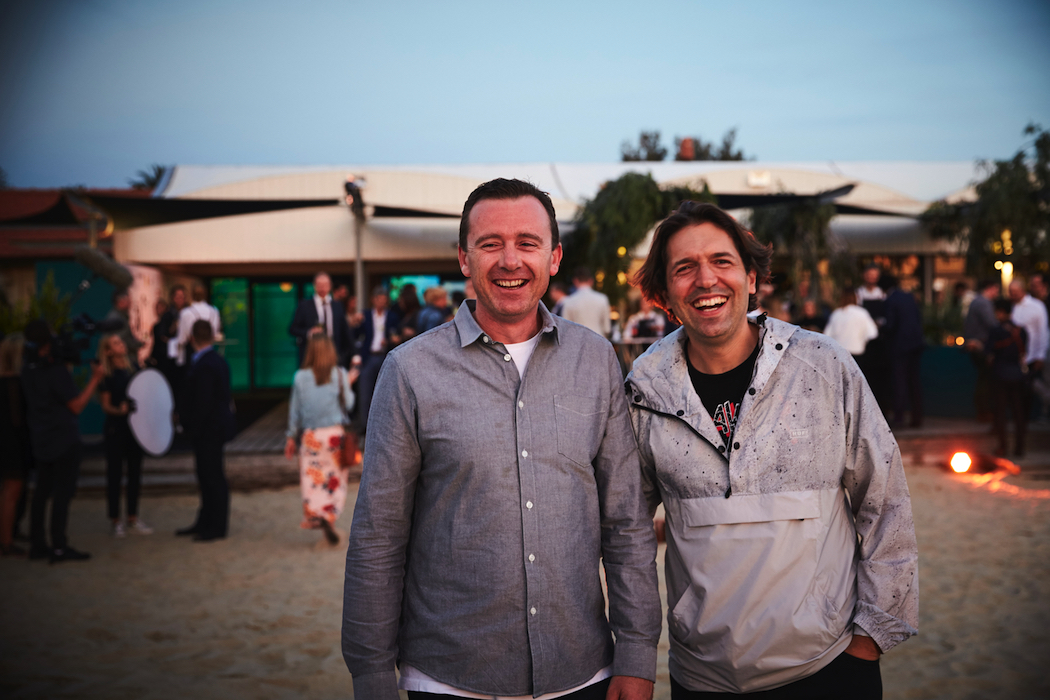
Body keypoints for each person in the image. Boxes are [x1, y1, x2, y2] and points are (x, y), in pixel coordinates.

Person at [342, 178, 661, 700]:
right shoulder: (409, 371)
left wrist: (637, 654)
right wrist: (371, 673)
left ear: (554, 257)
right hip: (448, 679)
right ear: (464, 259)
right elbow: (378, 537)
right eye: (491, 244)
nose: (510, 260)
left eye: (527, 243)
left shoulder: (596, 359)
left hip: (581, 674)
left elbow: (625, 521)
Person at [626, 201, 918, 698]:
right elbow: (627, 530)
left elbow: (885, 501)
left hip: (829, 667)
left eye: (722, 261)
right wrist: (634, 655)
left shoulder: (823, 366)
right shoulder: (645, 389)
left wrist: (871, 637)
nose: (706, 280)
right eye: (684, 268)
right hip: (702, 679)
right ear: (664, 294)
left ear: (752, 278)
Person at [22, 319, 107, 563]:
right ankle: (59, 545)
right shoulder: (55, 371)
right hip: (63, 438)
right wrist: (94, 379)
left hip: (41, 437)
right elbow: (77, 406)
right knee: (62, 494)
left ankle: (38, 545)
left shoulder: (28, 369)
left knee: (41, 492)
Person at [284, 332, 357, 545]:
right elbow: (350, 405)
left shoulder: (300, 377)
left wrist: (290, 436)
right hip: (335, 436)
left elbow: (294, 411)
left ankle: (318, 514)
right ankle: (330, 517)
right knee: (335, 480)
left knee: (314, 479)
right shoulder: (340, 374)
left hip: (311, 437)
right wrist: (349, 384)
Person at [176, 320, 235, 542]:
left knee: (212, 476)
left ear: (192, 338)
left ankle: (215, 525)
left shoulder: (205, 365)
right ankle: (205, 521)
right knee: (208, 475)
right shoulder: (217, 361)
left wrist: (190, 426)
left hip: (209, 430)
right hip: (213, 428)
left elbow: (203, 402)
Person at [97, 334, 151, 537]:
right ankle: (115, 520)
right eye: (116, 343)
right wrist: (120, 411)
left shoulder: (134, 369)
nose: (122, 345)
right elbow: (106, 405)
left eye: (121, 342)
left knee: (135, 473)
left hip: (135, 429)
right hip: (116, 429)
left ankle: (132, 517)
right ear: (108, 351)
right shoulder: (107, 375)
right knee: (115, 474)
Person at [0, 333, 32, 557]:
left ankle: (9, 533)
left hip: (9, 441)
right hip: (12, 443)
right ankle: (6, 541)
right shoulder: (14, 383)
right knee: (12, 491)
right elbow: (17, 419)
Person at [349, 286, 391, 440]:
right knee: (364, 392)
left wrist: (392, 339)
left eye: (384, 300)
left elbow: (397, 333)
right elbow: (354, 335)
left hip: (385, 356)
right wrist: (354, 322)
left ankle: (384, 427)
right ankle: (365, 426)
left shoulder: (391, 316)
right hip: (368, 357)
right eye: (379, 299)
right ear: (374, 300)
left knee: (385, 393)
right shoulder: (365, 315)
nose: (382, 302)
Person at [883, 276, 925, 429]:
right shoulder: (909, 297)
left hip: (900, 346)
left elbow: (890, 325)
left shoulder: (890, 300)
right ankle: (917, 418)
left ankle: (899, 417)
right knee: (914, 382)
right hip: (916, 344)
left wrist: (882, 325)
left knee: (899, 381)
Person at [987, 299, 1028, 456]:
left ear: (1000, 312)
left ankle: (1003, 447)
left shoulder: (996, 330)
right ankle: (1020, 448)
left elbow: (989, 350)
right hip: (1018, 375)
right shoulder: (1020, 330)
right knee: (1019, 414)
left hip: (1000, 375)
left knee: (1001, 413)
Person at [289, 272, 353, 365]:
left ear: (330, 286)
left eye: (325, 285)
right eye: (320, 285)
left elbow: (345, 331)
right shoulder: (304, 305)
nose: (322, 288)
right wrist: (309, 332)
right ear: (315, 286)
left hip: (334, 354)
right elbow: (293, 329)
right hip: (312, 355)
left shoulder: (337, 306)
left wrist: (354, 354)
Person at [1008, 278, 1049, 419]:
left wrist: (1040, 355)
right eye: (1010, 292)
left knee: (1035, 385)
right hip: (1017, 356)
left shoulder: (1037, 306)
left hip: (1033, 354)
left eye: (1015, 292)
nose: (1012, 295)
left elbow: (1042, 332)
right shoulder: (1012, 307)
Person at [963, 279, 1001, 421]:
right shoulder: (983, 303)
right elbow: (993, 325)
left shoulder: (976, 301)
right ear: (991, 287)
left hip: (976, 345)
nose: (997, 293)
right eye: (996, 289)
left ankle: (983, 411)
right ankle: (984, 412)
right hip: (980, 346)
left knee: (983, 379)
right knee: (985, 379)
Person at [823, 286, 879, 361]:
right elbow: (873, 333)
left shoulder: (836, 314)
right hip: (857, 353)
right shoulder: (862, 313)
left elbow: (827, 335)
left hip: (839, 354)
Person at [176, 284, 221, 368]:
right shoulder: (214, 311)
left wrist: (180, 360)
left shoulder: (185, 312)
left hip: (192, 351)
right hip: (209, 348)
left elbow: (181, 339)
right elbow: (216, 332)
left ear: (192, 295)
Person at [560, 267, 612, 337]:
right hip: (599, 340)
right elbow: (607, 328)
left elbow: (565, 328)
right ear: (591, 281)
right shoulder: (602, 299)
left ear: (575, 281)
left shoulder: (568, 301)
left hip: (577, 341)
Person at [103, 289, 144, 361]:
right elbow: (120, 340)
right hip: (123, 359)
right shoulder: (116, 318)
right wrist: (137, 344)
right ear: (121, 301)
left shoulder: (121, 316)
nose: (130, 302)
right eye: (128, 300)